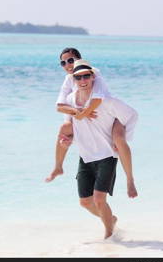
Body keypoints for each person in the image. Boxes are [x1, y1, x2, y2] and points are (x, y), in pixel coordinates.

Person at [47, 59, 139, 239]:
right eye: (78, 77)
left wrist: (120, 136)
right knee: (85, 202)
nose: (83, 81)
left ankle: (109, 237)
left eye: (86, 76)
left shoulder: (107, 101)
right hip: (85, 156)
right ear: (73, 80)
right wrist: (68, 140)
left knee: (99, 199)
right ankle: (110, 220)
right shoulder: (71, 100)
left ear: (93, 77)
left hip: (106, 155)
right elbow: (73, 125)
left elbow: (132, 114)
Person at [45, 48, 136, 192]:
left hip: (112, 115)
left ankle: (130, 180)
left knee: (118, 139)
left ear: (79, 60)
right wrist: (78, 114)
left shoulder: (93, 73)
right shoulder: (69, 79)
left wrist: (83, 113)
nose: (68, 65)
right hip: (88, 117)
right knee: (64, 129)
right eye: (63, 63)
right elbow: (60, 106)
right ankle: (58, 167)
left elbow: (97, 100)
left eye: (71, 60)